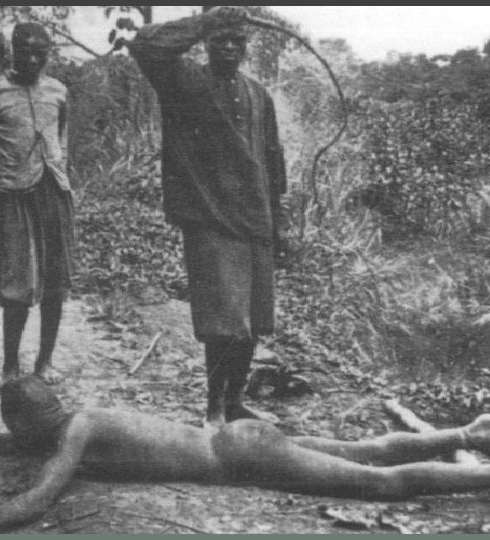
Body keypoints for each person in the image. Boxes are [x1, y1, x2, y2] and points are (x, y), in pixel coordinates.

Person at [0, 375, 490, 534]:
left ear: (27, 416)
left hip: (244, 457)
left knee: (381, 483)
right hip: (240, 438)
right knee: (366, 450)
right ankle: (469, 433)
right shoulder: (72, 421)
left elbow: (42, 495)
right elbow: (19, 443)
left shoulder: (73, 435)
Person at [127, 6, 289, 428]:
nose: (229, 47)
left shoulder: (257, 94)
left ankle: (235, 401)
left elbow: (273, 158)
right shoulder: (184, 83)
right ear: (207, 43)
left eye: (237, 40)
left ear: (246, 46)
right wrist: (206, 20)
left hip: (254, 218)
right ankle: (213, 407)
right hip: (210, 216)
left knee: (252, 318)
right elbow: (145, 45)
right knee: (222, 320)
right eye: (220, 40)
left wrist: (278, 219)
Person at [0, 23, 75, 387]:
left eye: (40, 53)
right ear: (13, 51)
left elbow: (62, 140)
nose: (32, 60)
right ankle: (10, 366)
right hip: (13, 195)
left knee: (55, 282)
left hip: (53, 193)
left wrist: (61, 176)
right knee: (16, 284)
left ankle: (44, 363)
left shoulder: (58, 91)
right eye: (25, 52)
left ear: (49, 53)